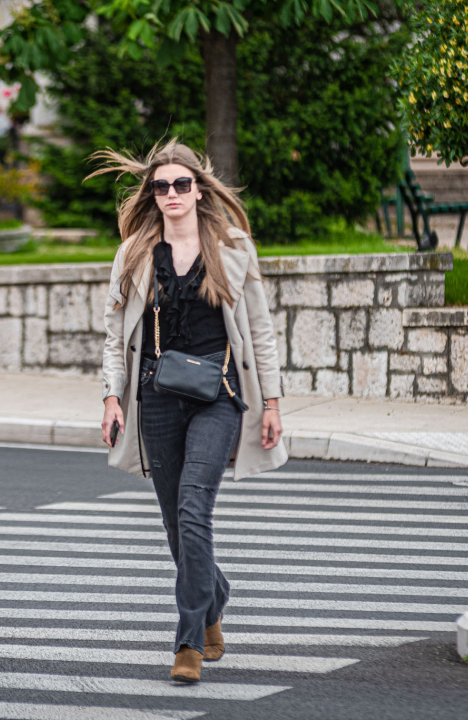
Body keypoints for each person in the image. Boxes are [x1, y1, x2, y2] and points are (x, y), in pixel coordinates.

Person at [95, 140, 288, 684]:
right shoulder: (133, 252)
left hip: (218, 395)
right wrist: (112, 397)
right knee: (174, 522)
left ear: (198, 190)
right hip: (156, 395)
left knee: (193, 508)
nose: (172, 193)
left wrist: (272, 402)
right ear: (152, 195)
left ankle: (188, 643)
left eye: (182, 184)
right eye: (162, 186)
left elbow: (263, 332)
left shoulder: (231, 246)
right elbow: (115, 337)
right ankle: (215, 596)